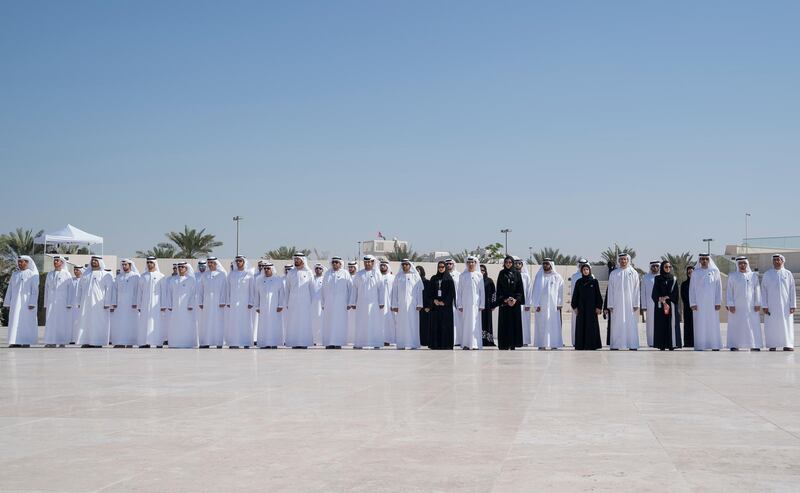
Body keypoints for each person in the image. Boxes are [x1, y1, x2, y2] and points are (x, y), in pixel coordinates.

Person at [75, 256, 114, 348]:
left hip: (99, 303)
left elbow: (109, 289)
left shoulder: (105, 274)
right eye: (92, 260)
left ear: (100, 262)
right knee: (85, 322)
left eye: (96, 260)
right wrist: (79, 302)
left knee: (98, 322)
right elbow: (79, 289)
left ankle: (97, 342)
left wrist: (107, 303)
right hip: (86, 303)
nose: (94, 262)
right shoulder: (85, 274)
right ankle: (86, 341)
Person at [726, 257, 762, 351]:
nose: (742, 265)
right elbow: (729, 291)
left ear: (747, 264)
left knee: (752, 325)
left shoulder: (753, 275)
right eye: (740, 263)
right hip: (737, 307)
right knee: (736, 325)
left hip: (751, 307)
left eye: (744, 263)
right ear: (737, 265)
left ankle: (754, 345)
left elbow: (757, 290)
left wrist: (757, 303)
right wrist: (730, 304)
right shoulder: (733, 276)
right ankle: (735, 345)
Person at [349, 255, 385, 349]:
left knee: (374, 323)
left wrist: (381, 302)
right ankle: (360, 343)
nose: (367, 264)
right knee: (361, 323)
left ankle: (375, 343)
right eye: (366, 262)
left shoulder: (377, 274)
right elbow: (354, 289)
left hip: (374, 303)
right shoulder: (359, 274)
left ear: (373, 263)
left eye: (369, 262)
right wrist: (353, 302)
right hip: (361, 303)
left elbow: (381, 289)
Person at [761, 254, 796, 351]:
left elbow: (792, 290)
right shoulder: (767, 274)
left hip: (786, 306)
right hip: (771, 306)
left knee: (786, 325)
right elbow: (763, 291)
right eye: (775, 260)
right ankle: (772, 344)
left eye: (778, 260)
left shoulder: (788, 274)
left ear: (782, 261)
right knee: (772, 325)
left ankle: (788, 344)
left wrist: (792, 305)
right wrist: (764, 305)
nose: (776, 261)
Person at [3, 255, 39, 347]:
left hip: (27, 303)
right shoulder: (15, 274)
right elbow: (10, 289)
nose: (19, 263)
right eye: (18, 262)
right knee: (14, 321)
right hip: (15, 302)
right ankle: (15, 341)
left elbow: (35, 290)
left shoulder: (32, 274)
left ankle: (26, 341)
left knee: (26, 322)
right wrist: (7, 303)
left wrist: (32, 302)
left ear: (27, 262)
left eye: (21, 262)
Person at [606, 253, 640, 350]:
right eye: (621, 259)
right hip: (617, 304)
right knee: (617, 324)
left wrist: (636, 303)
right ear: (618, 261)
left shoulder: (633, 273)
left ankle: (632, 344)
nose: (623, 261)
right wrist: (610, 304)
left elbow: (636, 289)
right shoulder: (614, 273)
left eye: (625, 259)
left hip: (630, 304)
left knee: (630, 324)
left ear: (628, 260)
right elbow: (611, 290)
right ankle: (616, 345)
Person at [689, 253, 722, 351]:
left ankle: (714, 345)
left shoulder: (715, 271)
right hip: (699, 305)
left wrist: (718, 302)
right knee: (700, 324)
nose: (704, 261)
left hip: (712, 304)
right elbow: (692, 289)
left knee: (713, 323)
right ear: (699, 260)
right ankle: (701, 345)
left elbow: (718, 288)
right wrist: (693, 303)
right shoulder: (695, 272)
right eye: (702, 259)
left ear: (709, 260)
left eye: (706, 259)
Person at [531, 258, 564, 350]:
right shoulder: (539, 276)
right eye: (544, 264)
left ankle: (554, 344)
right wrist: (536, 304)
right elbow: (535, 291)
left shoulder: (557, 277)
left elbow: (560, 291)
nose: (545, 265)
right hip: (541, 306)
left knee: (553, 324)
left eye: (547, 264)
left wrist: (559, 303)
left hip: (553, 306)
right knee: (541, 325)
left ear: (551, 265)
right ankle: (542, 344)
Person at [162, 262, 197, 348]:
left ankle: (187, 343)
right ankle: (175, 342)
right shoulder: (173, 280)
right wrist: (169, 305)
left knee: (186, 324)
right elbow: (169, 293)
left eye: (182, 267)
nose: (180, 268)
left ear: (186, 269)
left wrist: (190, 304)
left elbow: (194, 293)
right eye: (179, 267)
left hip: (187, 308)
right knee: (175, 324)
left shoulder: (191, 280)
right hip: (175, 307)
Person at [390, 259, 423, 349]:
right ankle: (401, 344)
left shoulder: (415, 276)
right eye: (403, 264)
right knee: (401, 325)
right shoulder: (398, 276)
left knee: (413, 324)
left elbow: (419, 291)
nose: (405, 266)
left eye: (406, 264)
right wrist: (394, 305)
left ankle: (413, 344)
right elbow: (394, 292)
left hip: (413, 305)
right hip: (401, 305)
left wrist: (420, 304)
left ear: (410, 265)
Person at [284, 253, 314, 349]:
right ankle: (294, 342)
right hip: (293, 302)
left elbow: (312, 289)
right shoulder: (291, 273)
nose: (296, 261)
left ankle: (304, 342)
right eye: (295, 259)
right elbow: (287, 289)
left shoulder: (308, 272)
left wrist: (311, 302)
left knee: (304, 322)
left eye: (298, 259)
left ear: (303, 260)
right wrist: (287, 302)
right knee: (293, 322)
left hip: (305, 302)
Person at [570, 263, 603, 350]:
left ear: (589, 271)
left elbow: (598, 295)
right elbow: (575, 296)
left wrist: (599, 307)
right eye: (584, 269)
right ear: (581, 271)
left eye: (587, 269)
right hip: (581, 309)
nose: (585, 271)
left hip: (592, 309)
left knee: (591, 326)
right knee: (581, 326)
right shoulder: (579, 282)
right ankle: (581, 345)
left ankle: (592, 345)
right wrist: (575, 307)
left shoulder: (594, 282)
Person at [197, 257, 227, 348]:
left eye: (212, 262)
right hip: (207, 302)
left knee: (218, 322)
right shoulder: (204, 275)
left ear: (216, 263)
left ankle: (218, 342)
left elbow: (224, 289)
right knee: (206, 322)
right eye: (209, 262)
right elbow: (201, 289)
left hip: (218, 303)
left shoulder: (222, 274)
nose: (210, 264)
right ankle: (206, 342)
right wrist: (200, 302)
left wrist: (222, 301)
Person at [321, 257, 351, 349]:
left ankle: (338, 342)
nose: (334, 264)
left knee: (339, 323)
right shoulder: (327, 274)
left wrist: (349, 302)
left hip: (341, 303)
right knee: (328, 323)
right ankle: (329, 342)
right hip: (329, 303)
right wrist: (323, 303)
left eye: (336, 262)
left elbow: (350, 288)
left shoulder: (345, 273)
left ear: (340, 263)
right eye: (333, 262)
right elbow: (323, 289)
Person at [135, 257, 166, 348]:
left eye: (151, 262)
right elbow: (139, 292)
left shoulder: (161, 276)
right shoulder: (143, 276)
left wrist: (163, 305)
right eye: (148, 262)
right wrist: (139, 305)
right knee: (145, 323)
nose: (149, 264)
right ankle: (145, 342)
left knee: (157, 323)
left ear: (155, 263)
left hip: (157, 304)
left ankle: (158, 342)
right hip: (145, 304)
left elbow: (164, 291)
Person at [652, 260, 682, 350]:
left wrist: (667, 297)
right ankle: (661, 344)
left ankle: (671, 344)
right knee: (661, 324)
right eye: (666, 267)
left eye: (669, 267)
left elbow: (676, 293)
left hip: (671, 304)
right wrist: (660, 298)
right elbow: (654, 292)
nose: (668, 268)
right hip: (660, 305)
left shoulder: (674, 278)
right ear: (662, 268)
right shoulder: (657, 278)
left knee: (671, 324)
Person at [496, 255, 524, 350]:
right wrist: (505, 300)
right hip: (504, 303)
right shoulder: (501, 273)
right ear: (504, 263)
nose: (508, 264)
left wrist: (515, 299)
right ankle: (504, 344)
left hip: (514, 304)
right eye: (506, 262)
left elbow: (520, 289)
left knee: (513, 324)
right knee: (504, 324)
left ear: (512, 263)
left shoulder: (517, 274)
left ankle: (513, 344)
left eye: (510, 262)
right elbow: (499, 289)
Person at [110, 259, 140, 348]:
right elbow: (114, 290)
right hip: (120, 304)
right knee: (120, 323)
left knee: (131, 323)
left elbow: (137, 290)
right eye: (122, 265)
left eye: (125, 265)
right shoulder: (119, 277)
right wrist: (114, 302)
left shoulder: (136, 276)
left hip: (131, 305)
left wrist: (136, 302)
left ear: (130, 265)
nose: (124, 266)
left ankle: (130, 342)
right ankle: (120, 342)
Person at [254, 262, 285, 348]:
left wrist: (280, 305)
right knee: (263, 325)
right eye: (265, 268)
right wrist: (257, 306)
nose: (266, 270)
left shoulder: (278, 279)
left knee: (274, 324)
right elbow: (257, 294)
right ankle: (264, 343)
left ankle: (274, 343)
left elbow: (281, 293)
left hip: (274, 307)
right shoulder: (259, 280)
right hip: (263, 307)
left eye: (268, 268)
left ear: (272, 269)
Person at [457, 256, 485, 350]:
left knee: (475, 324)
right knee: (466, 324)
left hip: (476, 305)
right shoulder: (462, 276)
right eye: (469, 262)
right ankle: (466, 344)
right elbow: (459, 291)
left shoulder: (479, 275)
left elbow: (482, 291)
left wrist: (482, 304)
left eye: (472, 262)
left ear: (475, 263)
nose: (470, 264)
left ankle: (475, 344)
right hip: (465, 304)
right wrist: (460, 304)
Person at [226, 255, 254, 348]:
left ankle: (246, 342)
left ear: (244, 262)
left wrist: (251, 302)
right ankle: (234, 343)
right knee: (234, 322)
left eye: (240, 261)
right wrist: (228, 301)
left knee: (245, 322)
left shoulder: (249, 274)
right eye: (237, 261)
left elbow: (251, 289)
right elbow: (228, 289)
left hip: (245, 302)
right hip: (233, 302)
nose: (238, 263)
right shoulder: (231, 274)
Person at [44, 255, 72, 347]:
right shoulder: (49, 274)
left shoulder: (66, 274)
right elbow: (46, 289)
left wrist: (69, 303)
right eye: (55, 261)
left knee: (61, 321)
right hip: (51, 301)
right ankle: (50, 341)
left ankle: (61, 342)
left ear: (62, 263)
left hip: (62, 301)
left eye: (57, 261)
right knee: (50, 321)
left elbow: (70, 289)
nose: (55, 262)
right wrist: (46, 303)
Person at [427, 260, 456, 350]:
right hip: (435, 307)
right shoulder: (433, 278)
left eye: (443, 267)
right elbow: (429, 292)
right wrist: (434, 300)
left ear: (445, 268)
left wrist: (444, 302)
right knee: (435, 325)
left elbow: (451, 293)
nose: (441, 268)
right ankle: (435, 345)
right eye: (439, 267)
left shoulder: (449, 279)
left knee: (445, 326)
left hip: (445, 308)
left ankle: (446, 345)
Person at [568, 258, 589, 346]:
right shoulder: (574, 276)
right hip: (577, 303)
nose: (582, 267)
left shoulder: (592, 277)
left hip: (588, 304)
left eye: (584, 265)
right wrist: (574, 305)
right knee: (576, 323)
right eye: (580, 265)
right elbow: (573, 292)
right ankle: (576, 341)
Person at [641, 261, 660, 347]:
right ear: (650, 267)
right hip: (649, 305)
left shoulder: (661, 277)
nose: (655, 268)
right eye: (653, 266)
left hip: (660, 304)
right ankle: (651, 342)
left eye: (657, 266)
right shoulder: (645, 277)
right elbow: (643, 293)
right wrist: (644, 306)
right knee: (650, 324)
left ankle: (660, 341)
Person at [515, 257, 533, 346]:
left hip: (524, 305)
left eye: (519, 263)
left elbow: (529, 291)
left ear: (522, 265)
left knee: (524, 323)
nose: (517, 265)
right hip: (514, 303)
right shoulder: (512, 274)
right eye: (516, 263)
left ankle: (524, 341)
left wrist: (528, 304)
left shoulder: (526, 276)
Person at [379, 259, 396, 346]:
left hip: (390, 304)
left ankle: (389, 339)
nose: (382, 267)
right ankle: (380, 339)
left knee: (389, 322)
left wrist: (394, 304)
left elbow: (395, 292)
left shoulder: (393, 278)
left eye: (384, 266)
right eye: (381, 265)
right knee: (379, 322)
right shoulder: (377, 277)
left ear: (388, 267)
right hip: (378, 305)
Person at [445, 258, 462, 345]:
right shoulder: (444, 275)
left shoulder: (459, 275)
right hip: (447, 302)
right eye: (447, 264)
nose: (448, 265)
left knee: (457, 321)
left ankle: (457, 340)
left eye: (450, 264)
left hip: (457, 302)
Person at [480, 264, 496, 346]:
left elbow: (494, 293)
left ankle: (488, 340)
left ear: (485, 271)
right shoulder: (477, 280)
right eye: (480, 270)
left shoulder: (489, 281)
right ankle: (480, 340)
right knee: (479, 322)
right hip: (479, 306)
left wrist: (493, 305)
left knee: (487, 322)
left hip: (488, 305)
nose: (481, 272)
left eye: (483, 270)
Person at [416, 265, 432, 347]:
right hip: (415, 307)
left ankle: (425, 341)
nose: (417, 272)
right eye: (416, 270)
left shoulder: (426, 282)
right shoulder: (413, 281)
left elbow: (429, 295)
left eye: (419, 270)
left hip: (425, 307)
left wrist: (429, 306)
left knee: (425, 325)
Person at [311, 263, 325, 346]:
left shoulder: (325, 279)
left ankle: (321, 339)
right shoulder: (311, 278)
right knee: (313, 322)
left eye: (320, 268)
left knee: (321, 321)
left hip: (321, 304)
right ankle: (313, 340)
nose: (318, 270)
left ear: (322, 270)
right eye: (316, 268)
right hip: (312, 304)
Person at [68, 264, 83, 343]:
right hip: (72, 304)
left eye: (77, 270)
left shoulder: (83, 280)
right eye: (74, 270)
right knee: (71, 322)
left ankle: (78, 338)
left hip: (80, 305)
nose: (75, 271)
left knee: (79, 321)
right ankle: (72, 339)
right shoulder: (72, 280)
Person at [680, 266, 695, 348]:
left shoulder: (697, 283)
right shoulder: (684, 284)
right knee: (687, 325)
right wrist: (689, 304)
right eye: (689, 272)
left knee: (695, 325)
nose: (690, 274)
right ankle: (687, 342)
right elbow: (682, 296)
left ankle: (695, 341)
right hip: (687, 307)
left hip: (696, 308)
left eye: (692, 272)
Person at [346, 260, 358, 344]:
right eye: (349, 267)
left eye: (352, 267)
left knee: (355, 322)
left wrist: (354, 302)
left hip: (356, 304)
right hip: (346, 304)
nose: (350, 269)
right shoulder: (346, 277)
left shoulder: (358, 276)